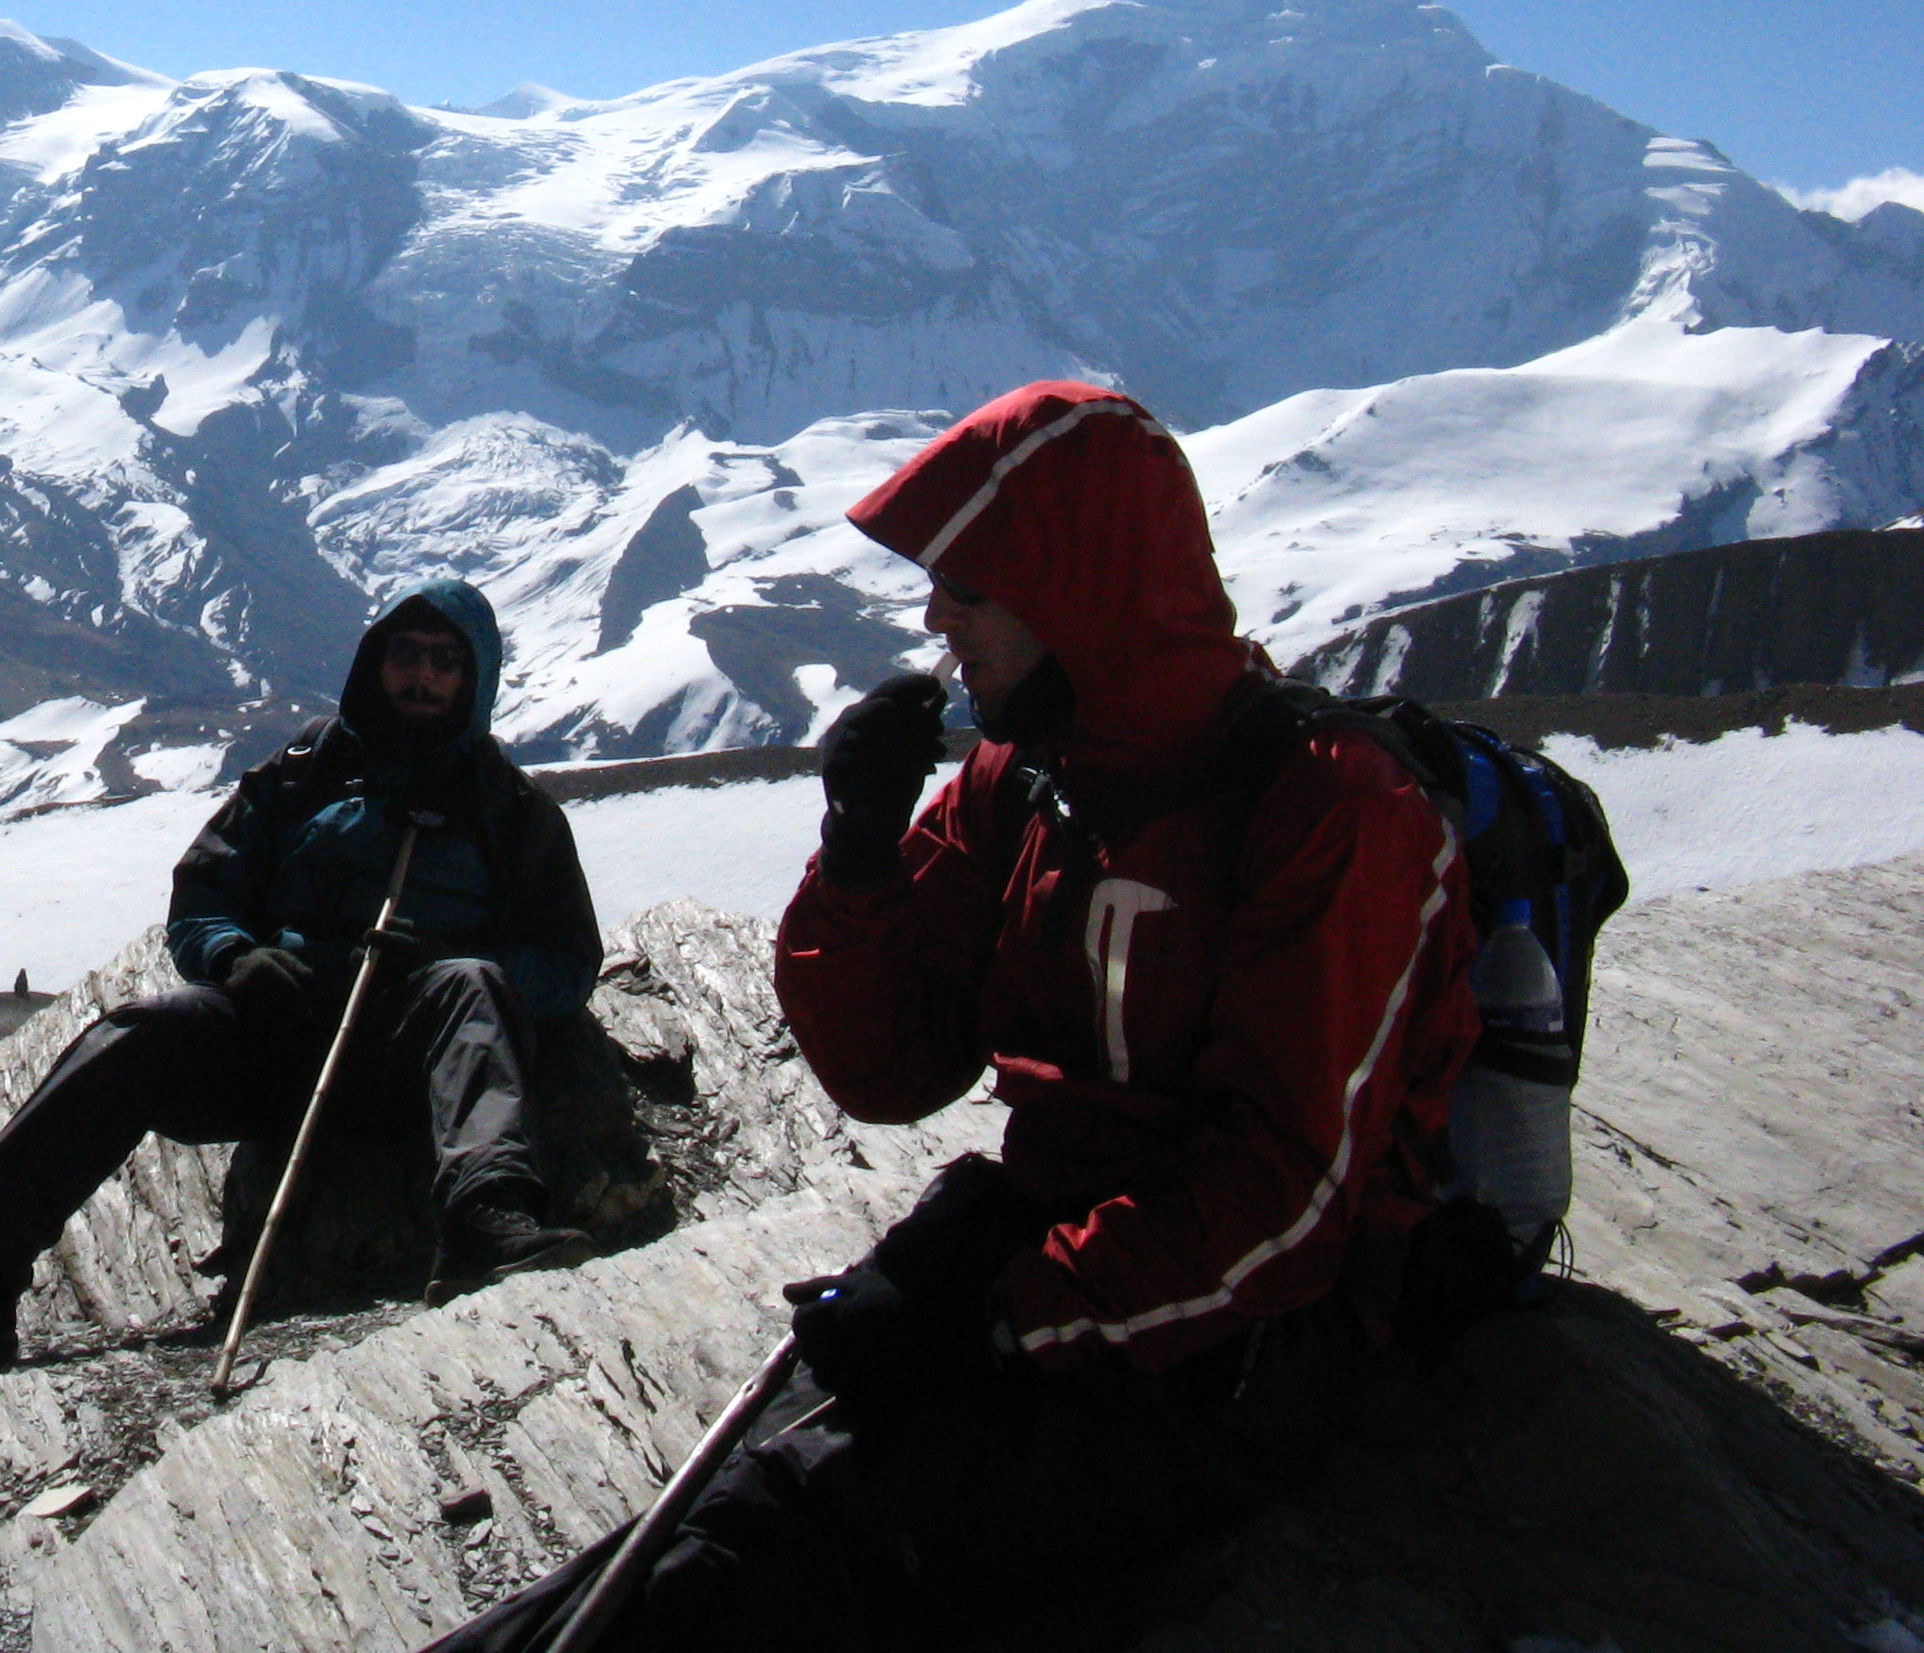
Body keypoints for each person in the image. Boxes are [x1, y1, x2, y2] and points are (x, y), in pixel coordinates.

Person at [422, 381, 1477, 1650]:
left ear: (1073, 590)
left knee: (772, 1533)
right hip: (1068, 1251)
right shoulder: (1031, 774)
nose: (936, 619)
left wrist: (996, 1315)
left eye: (968, 589)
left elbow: (1287, 1206)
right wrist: (864, 859)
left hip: (1239, 1349)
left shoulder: (1330, 811)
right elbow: (893, 1071)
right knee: (731, 1513)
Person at [0, 576, 606, 1367]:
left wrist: (450, 969)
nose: (423, 677)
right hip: (278, 1036)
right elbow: (204, 894)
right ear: (376, 662)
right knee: (138, 1035)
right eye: (407, 655)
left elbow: (566, 961)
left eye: (445, 662)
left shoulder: (510, 808)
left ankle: (487, 1219)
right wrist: (236, 958)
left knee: (468, 984)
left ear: (474, 678)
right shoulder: (303, 771)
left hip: (414, 1057)